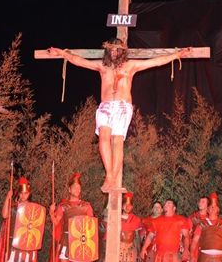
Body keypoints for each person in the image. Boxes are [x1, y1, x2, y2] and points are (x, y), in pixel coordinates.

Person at [47, 41, 190, 192]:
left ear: (123, 51)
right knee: (103, 138)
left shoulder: (131, 66)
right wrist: (62, 53)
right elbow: (80, 61)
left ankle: (112, 179)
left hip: (122, 107)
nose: (114, 52)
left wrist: (177, 54)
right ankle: (109, 175)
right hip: (106, 106)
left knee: (117, 141)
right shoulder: (103, 66)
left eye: (117, 50)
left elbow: (155, 62)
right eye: (112, 50)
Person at [49, 173, 96, 262]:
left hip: (81, 241)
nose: (77, 190)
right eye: (75, 187)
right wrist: (51, 212)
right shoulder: (63, 206)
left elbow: (91, 225)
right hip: (66, 239)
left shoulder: (86, 206)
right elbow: (56, 222)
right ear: (69, 189)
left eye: (79, 187)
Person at [116, 192, 143, 262]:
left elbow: (136, 237)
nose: (127, 207)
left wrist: (139, 252)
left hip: (130, 249)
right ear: (121, 205)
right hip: (118, 248)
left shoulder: (136, 219)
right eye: (125, 204)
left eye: (130, 205)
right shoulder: (115, 217)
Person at [185, 196, 209, 262]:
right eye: (199, 200)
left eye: (203, 201)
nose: (200, 203)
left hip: (207, 249)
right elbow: (187, 233)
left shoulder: (211, 218)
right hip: (195, 248)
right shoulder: (193, 217)